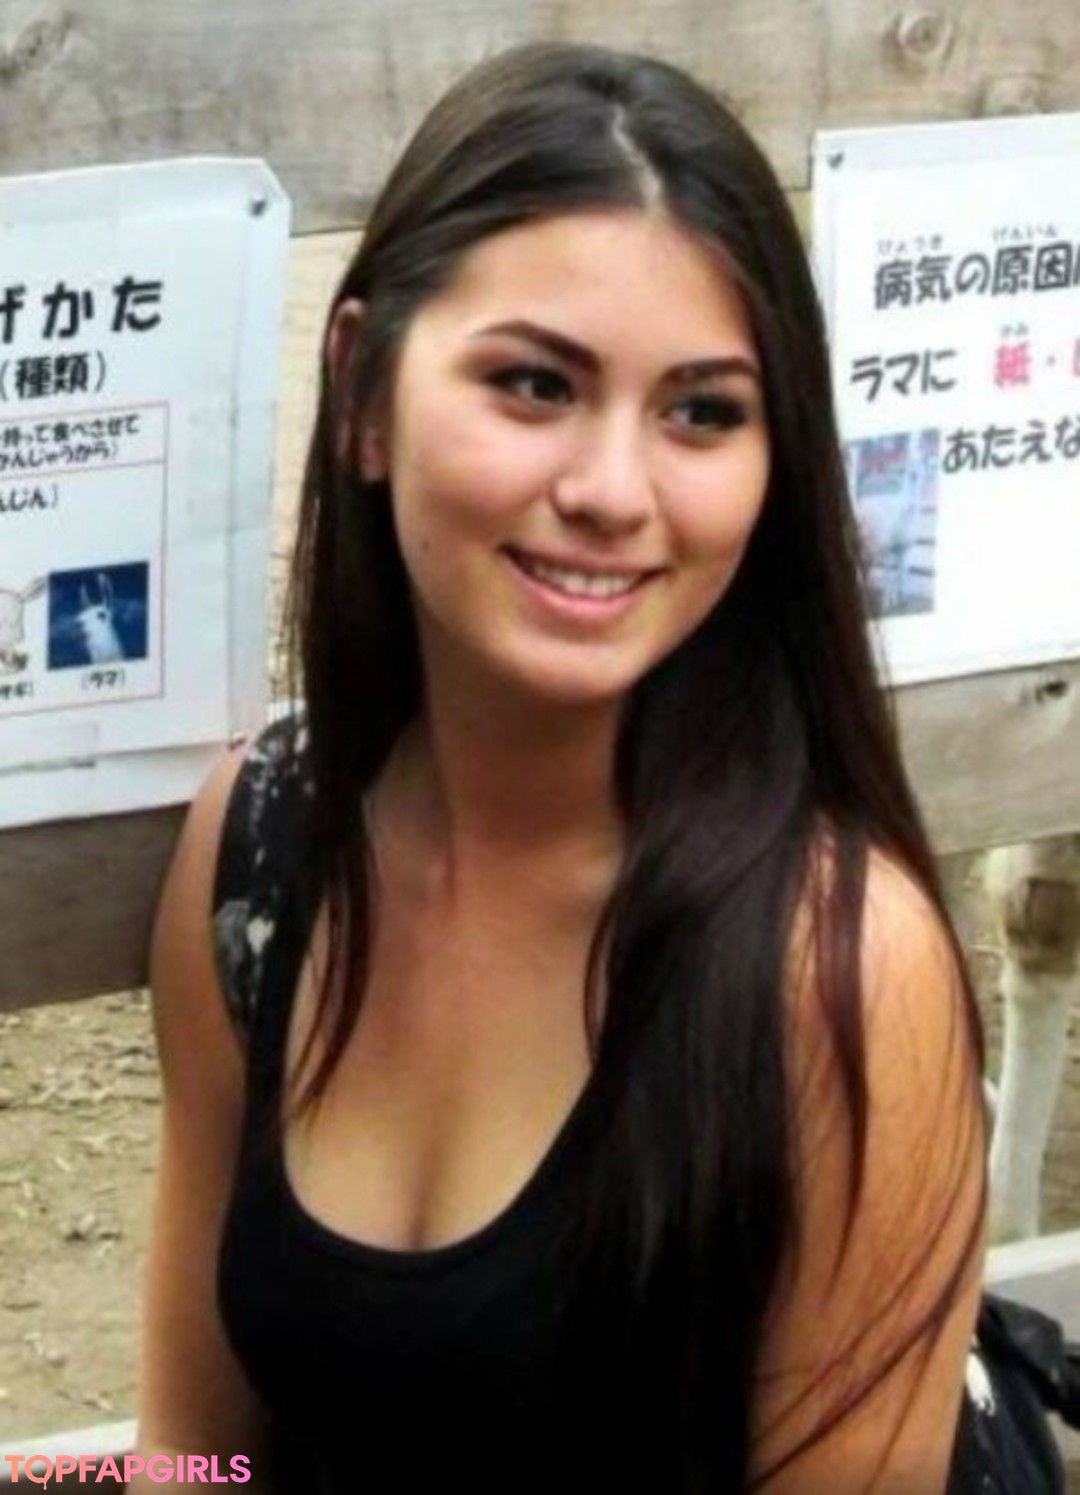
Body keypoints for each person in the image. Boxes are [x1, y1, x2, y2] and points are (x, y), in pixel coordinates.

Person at [135, 42, 989, 1493]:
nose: (609, 491)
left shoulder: (840, 974)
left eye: (703, 412)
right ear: (361, 394)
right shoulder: (264, 843)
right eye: (534, 385)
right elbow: (188, 1462)